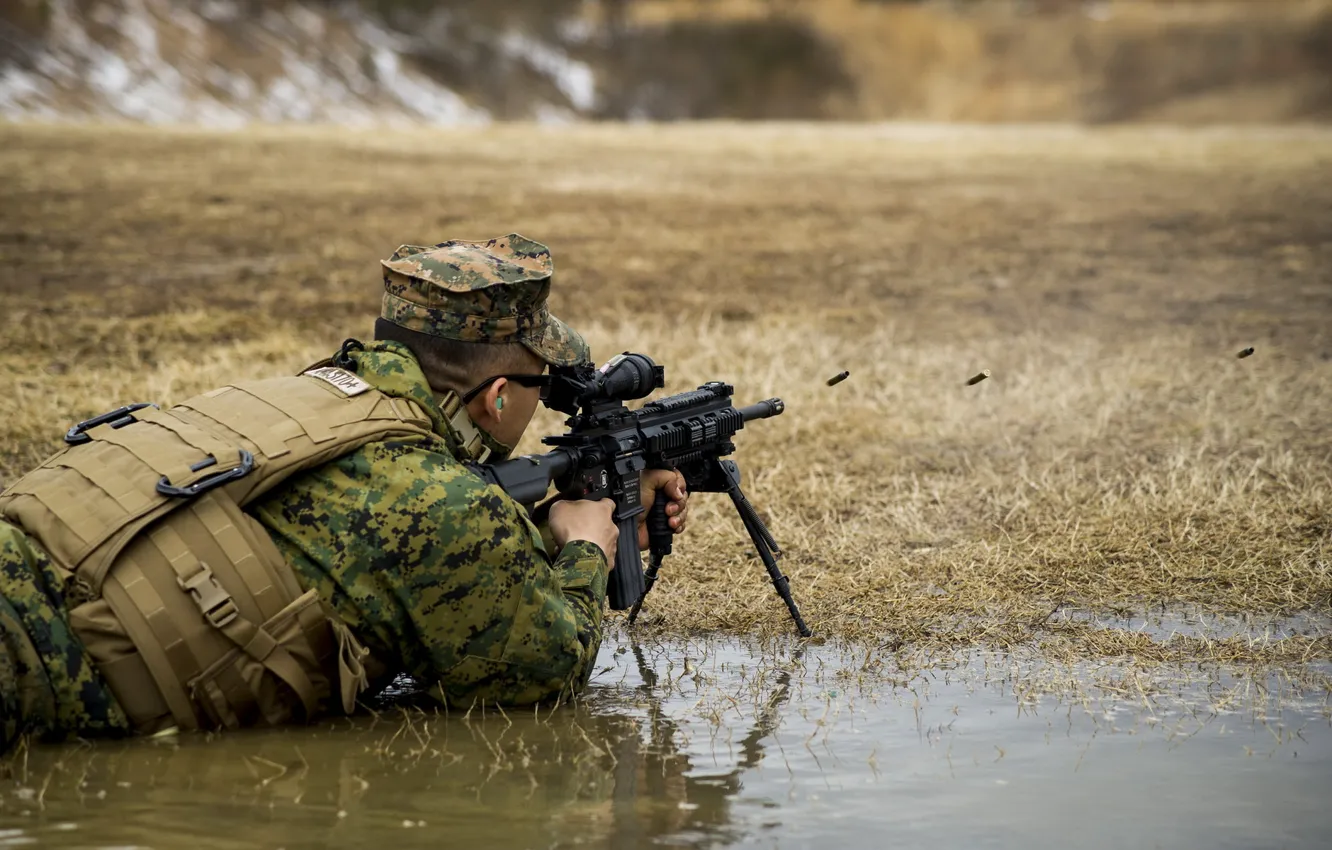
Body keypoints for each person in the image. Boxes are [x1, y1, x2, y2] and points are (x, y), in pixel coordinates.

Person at [0, 234, 689, 752]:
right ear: (499, 395)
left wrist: (533, 532)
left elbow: (373, 553)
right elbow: (541, 668)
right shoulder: (443, 504)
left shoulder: (310, 402)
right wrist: (587, 548)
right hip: (34, 667)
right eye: (542, 386)